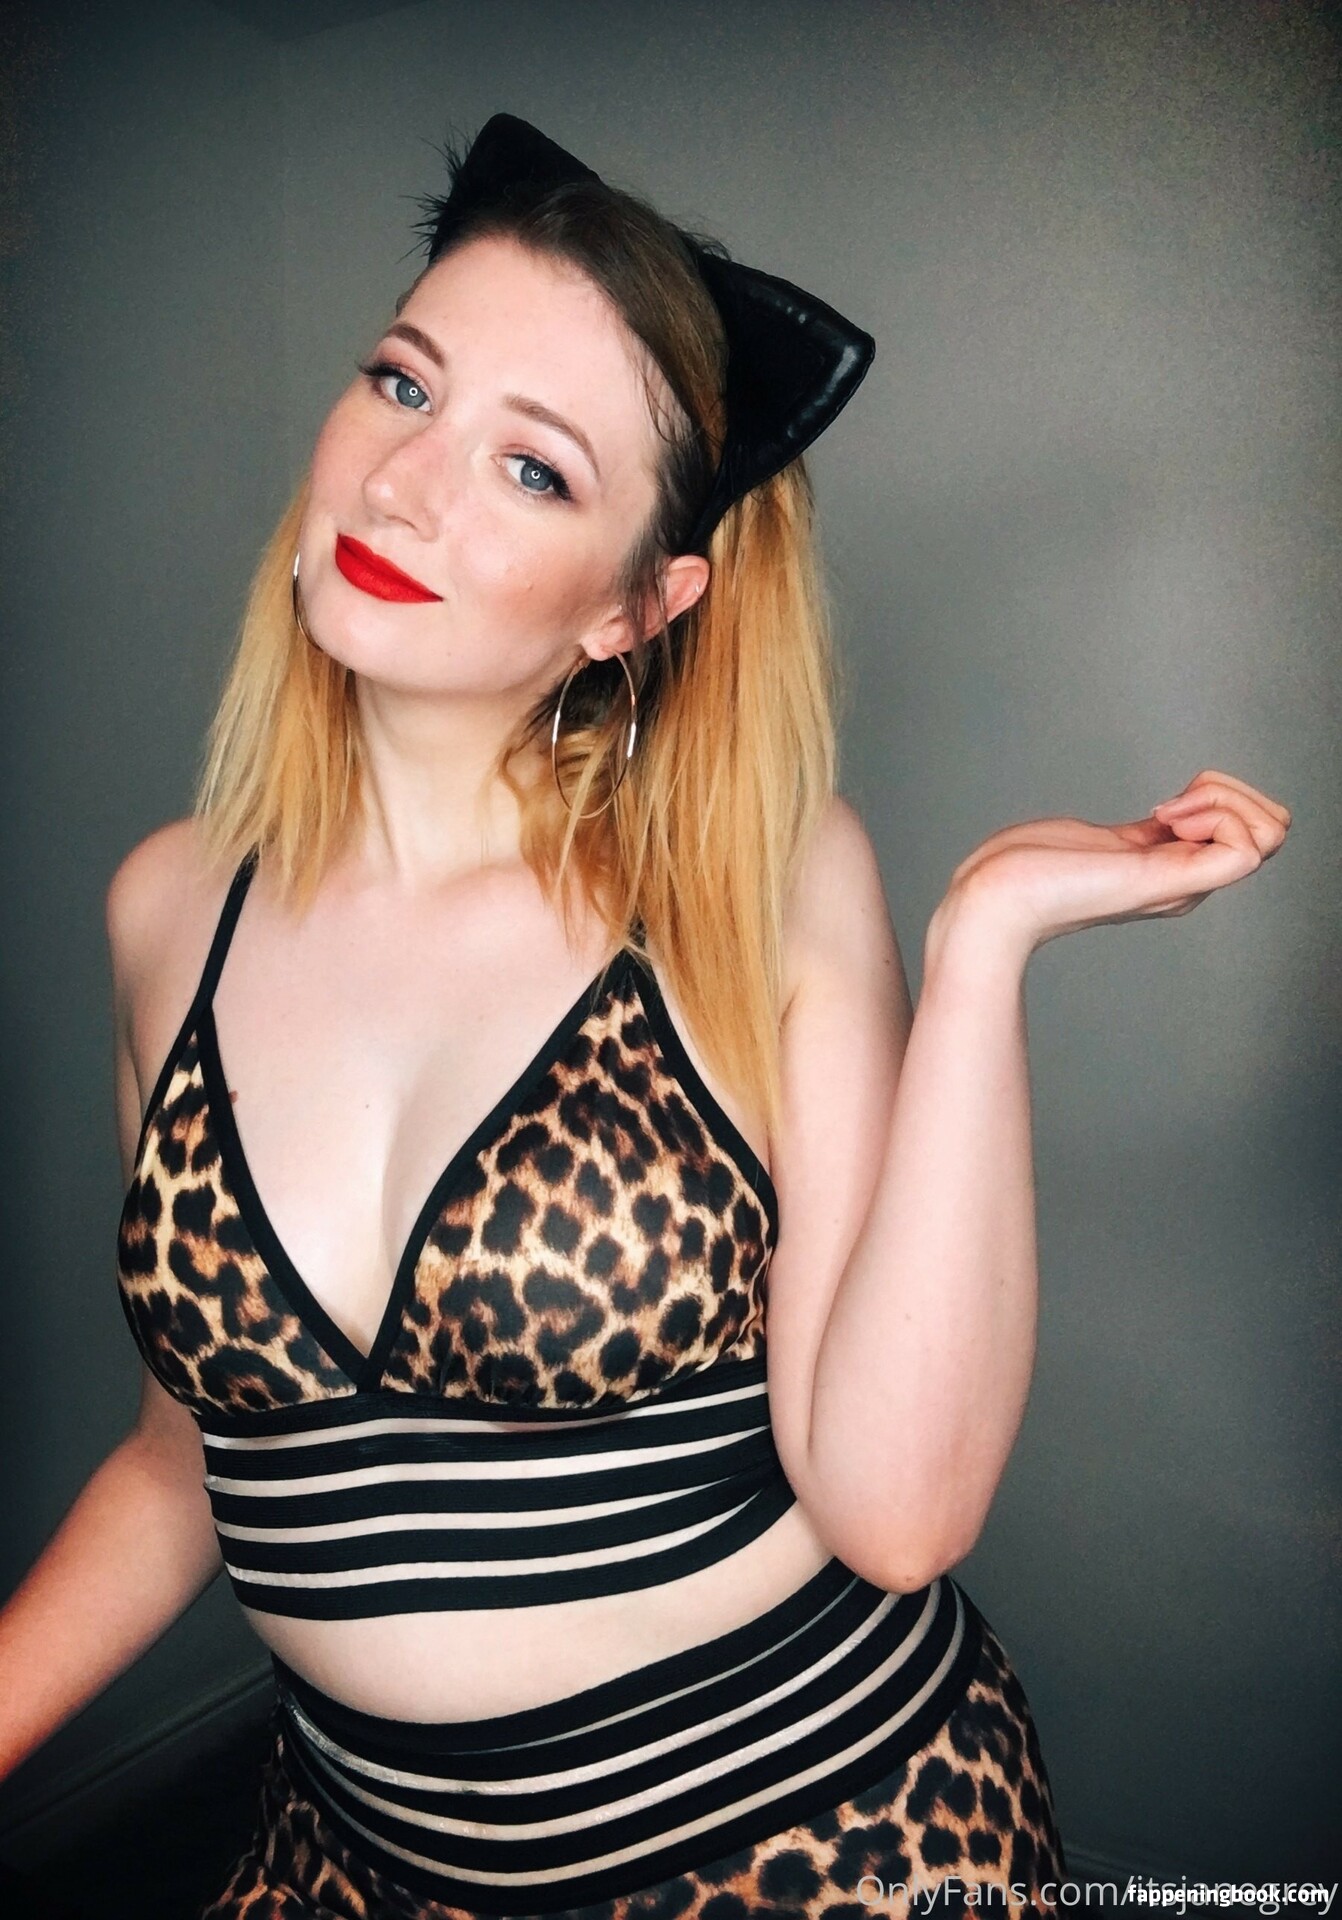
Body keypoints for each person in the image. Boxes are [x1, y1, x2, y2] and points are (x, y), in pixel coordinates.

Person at [0, 114, 1289, 1920]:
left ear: (638, 604)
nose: (404, 485)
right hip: (359, 1866)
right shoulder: (168, 909)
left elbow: (897, 1514)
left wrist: (981, 945)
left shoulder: (750, 882)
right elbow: (181, 1468)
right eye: (402, 384)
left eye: (532, 468)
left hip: (806, 1852)